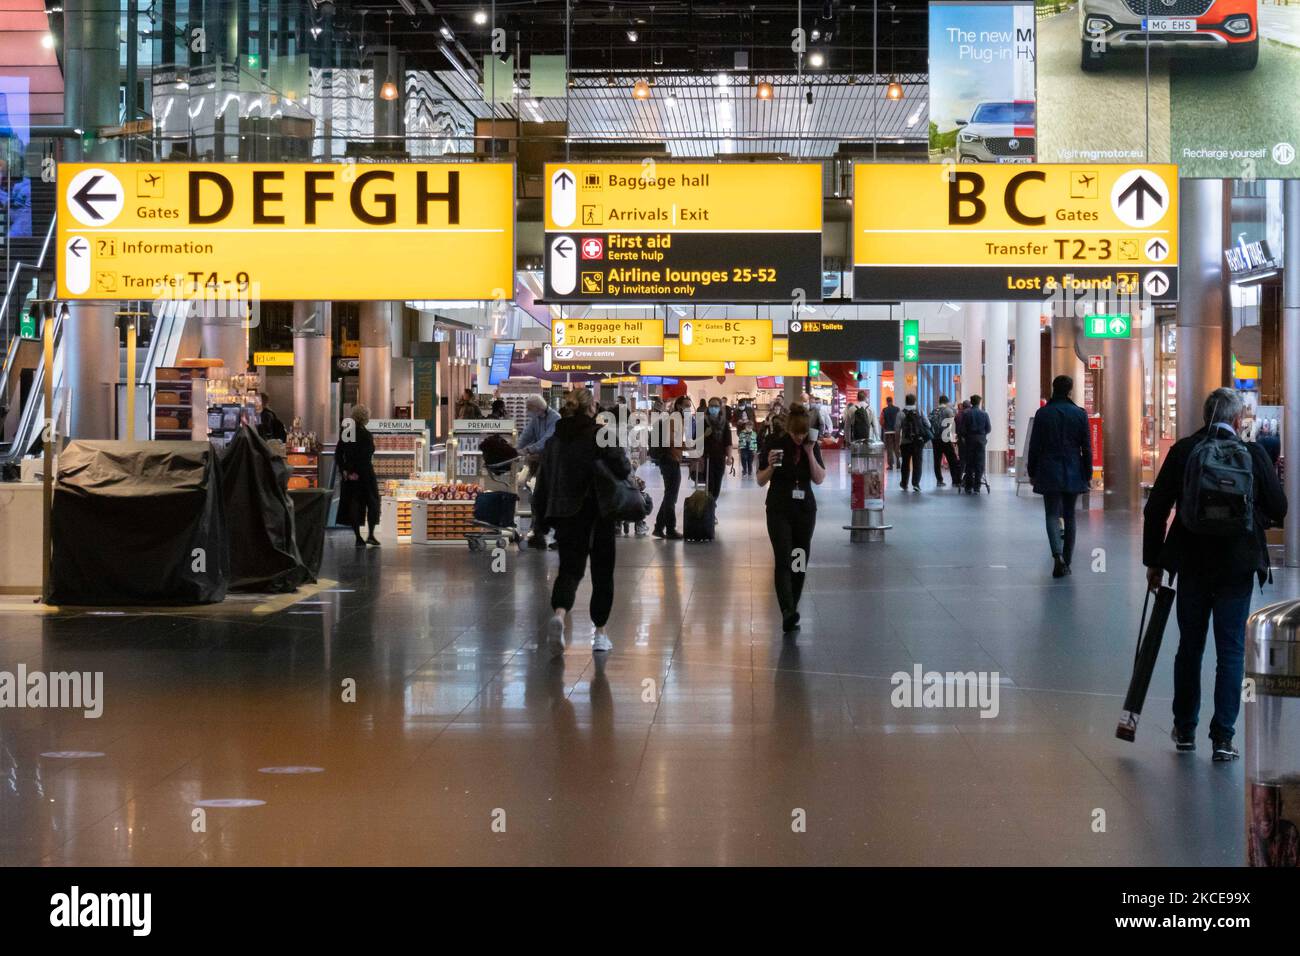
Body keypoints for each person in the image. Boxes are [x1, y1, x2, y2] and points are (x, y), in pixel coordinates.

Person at [1143, 387, 1287, 761]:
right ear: (1238, 420)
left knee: (1190, 646)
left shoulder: (1184, 450)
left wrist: (1154, 561)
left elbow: (1156, 507)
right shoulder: (1252, 453)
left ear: (1205, 415)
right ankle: (1223, 737)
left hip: (1191, 563)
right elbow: (1280, 505)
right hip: (1237, 566)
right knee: (1231, 651)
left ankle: (1185, 730)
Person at [535, 388, 633, 656]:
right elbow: (623, 467)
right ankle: (600, 634)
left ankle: (559, 613)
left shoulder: (554, 440)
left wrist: (539, 521)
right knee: (602, 573)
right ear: (592, 408)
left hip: (566, 515)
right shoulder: (600, 435)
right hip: (598, 514)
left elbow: (544, 482)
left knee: (569, 569)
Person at [756, 404, 826, 634]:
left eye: (803, 433)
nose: (799, 438)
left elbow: (819, 478)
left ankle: (792, 607)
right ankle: (786, 609)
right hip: (779, 508)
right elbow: (760, 479)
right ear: (788, 429)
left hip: (805, 509)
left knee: (799, 558)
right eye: (795, 433)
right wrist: (772, 467)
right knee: (784, 558)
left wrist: (809, 453)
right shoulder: (774, 444)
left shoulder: (810, 446)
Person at [1025, 376, 1092, 578]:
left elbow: (1034, 446)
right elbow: (1087, 448)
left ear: (1053, 388)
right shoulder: (1080, 414)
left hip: (1048, 468)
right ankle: (1067, 559)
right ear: (1070, 390)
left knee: (1052, 514)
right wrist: (1087, 473)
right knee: (1070, 514)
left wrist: (1032, 471)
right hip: (1073, 468)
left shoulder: (1043, 414)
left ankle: (1057, 556)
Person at [518, 395, 560, 549]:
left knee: (548, 499)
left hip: (552, 464)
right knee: (537, 499)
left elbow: (547, 441)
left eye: (529, 408)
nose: (528, 412)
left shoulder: (555, 418)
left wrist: (529, 449)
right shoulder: (536, 419)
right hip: (540, 463)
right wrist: (517, 449)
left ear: (537, 408)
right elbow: (526, 435)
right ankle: (538, 533)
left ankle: (554, 535)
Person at [337, 403, 381, 547]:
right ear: (365, 417)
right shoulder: (366, 434)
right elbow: (366, 454)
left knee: (353, 504)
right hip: (365, 473)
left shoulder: (346, 432)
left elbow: (339, 453)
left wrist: (345, 470)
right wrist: (358, 471)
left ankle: (358, 538)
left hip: (350, 475)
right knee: (373, 502)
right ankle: (371, 535)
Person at [651, 395, 691, 539]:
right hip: (669, 459)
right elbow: (671, 441)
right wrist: (689, 447)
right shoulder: (674, 419)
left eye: (689, 405)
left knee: (669, 495)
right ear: (678, 406)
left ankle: (659, 527)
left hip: (670, 459)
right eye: (685, 405)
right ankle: (670, 529)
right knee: (671, 497)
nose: (688, 408)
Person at [701, 396, 734, 502]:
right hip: (706, 457)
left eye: (716, 406)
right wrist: (705, 435)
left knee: (717, 483)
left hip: (720, 457)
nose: (713, 408)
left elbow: (728, 442)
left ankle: (712, 505)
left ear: (720, 408)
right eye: (711, 406)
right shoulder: (702, 421)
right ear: (708, 407)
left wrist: (729, 457)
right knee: (710, 483)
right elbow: (694, 440)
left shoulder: (724, 423)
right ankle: (710, 508)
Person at [897, 394, 931, 492]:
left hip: (905, 442)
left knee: (905, 463)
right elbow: (928, 424)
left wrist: (897, 444)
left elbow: (897, 429)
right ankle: (916, 484)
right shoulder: (919, 411)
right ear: (915, 401)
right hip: (918, 442)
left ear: (905, 401)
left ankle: (904, 483)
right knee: (917, 463)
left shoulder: (901, 413)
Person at [957, 395, 991, 493]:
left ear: (971, 402)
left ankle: (968, 486)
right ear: (979, 402)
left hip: (969, 441)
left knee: (969, 463)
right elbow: (988, 428)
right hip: (980, 441)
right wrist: (982, 434)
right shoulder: (984, 414)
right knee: (979, 463)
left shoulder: (966, 414)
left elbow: (962, 429)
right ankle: (977, 487)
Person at [928, 395, 959, 487]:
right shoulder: (948, 411)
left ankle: (939, 480)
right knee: (952, 459)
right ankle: (955, 480)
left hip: (935, 439)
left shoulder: (933, 411)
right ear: (947, 402)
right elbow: (952, 424)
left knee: (937, 460)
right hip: (945, 438)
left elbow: (928, 423)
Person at [880, 396, 901, 469]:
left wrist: (885, 427)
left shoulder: (884, 410)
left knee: (889, 449)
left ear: (887, 402)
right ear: (892, 401)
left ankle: (890, 465)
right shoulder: (897, 409)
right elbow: (900, 419)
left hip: (888, 432)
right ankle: (898, 463)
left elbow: (881, 421)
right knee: (896, 447)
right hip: (896, 432)